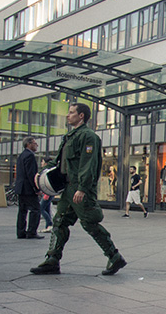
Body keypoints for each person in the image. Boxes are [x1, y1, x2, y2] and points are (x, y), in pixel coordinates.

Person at [30, 103, 126, 276]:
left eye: (71, 113)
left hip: (80, 189)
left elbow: (88, 165)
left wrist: (82, 188)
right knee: (59, 221)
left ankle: (114, 256)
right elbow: (59, 163)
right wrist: (41, 173)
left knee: (90, 223)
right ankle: (52, 259)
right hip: (68, 189)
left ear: (81, 116)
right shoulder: (69, 136)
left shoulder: (89, 137)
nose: (68, 116)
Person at [15, 136, 42, 239]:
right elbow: (31, 175)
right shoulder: (30, 156)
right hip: (28, 189)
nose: (37, 145)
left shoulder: (21, 155)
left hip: (21, 188)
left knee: (22, 211)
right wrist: (37, 189)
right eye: (35, 143)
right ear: (29, 144)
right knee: (36, 209)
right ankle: (31, 232)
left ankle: (21, 232)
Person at [38, 157, 54, 233]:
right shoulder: (50, 171)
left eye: (42, 161)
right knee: (46, 209)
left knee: (41, 208)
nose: (41, 163)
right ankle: (48, 225)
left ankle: (50, 224)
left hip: (47, 193)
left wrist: (46, 194)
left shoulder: (47, 171)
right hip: (48, 193)